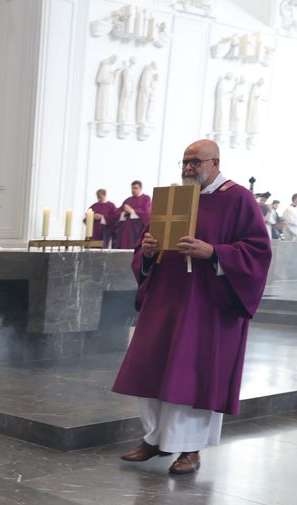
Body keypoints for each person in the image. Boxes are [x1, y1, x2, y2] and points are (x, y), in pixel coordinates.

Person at [113, 140, 271, 475]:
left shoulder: (238, 198)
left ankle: (190, 449)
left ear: (215, 163)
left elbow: (257, 251)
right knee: (152, 368)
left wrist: (213, 253)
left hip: (207, 303)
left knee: (194, 373)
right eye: (184, 162)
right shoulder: (173, 198)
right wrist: (150, 251)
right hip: (166, 299)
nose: (188, 169)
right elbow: (146, 243)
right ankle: (154, 439)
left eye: (195, 162)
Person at [115, 180, 151, 249]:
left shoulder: (146, 198)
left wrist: (132, 211)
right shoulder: (128, 200)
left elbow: (147, 214)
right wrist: (124, 213)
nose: (133, 190)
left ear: (140, 189)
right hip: (126, 231)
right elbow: (117, 213)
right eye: (132, 188)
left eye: (135, 188)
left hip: (137, 230)